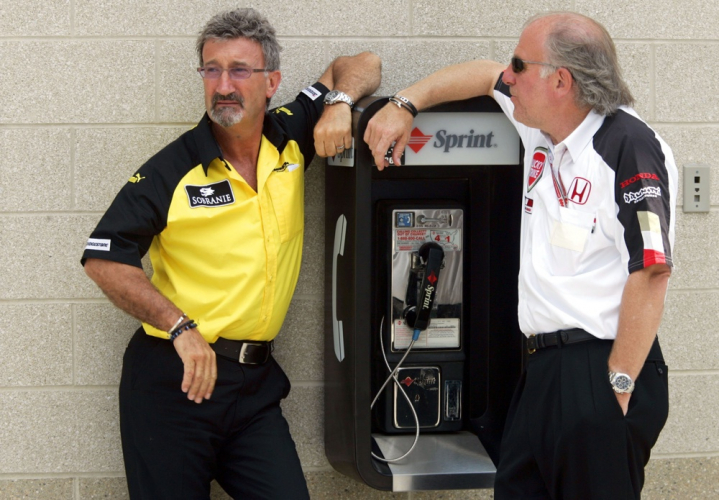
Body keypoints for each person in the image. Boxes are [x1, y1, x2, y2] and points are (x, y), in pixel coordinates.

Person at [365, 11, 675, 500]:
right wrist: (405, 104)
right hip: (540, 373)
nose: (508, 76)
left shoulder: (627, 147)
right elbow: (484, 75)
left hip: (601, 369)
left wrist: (616, 386)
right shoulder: (543, 131)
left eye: (519, 65)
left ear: (560, 80)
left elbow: (653, 270)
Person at [81, 8, 380, 499]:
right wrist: (180, 326)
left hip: (254, 389)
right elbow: (103, 259)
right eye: (211, 69)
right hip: (174, 382)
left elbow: (360, 62)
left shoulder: (289, 136)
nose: (223, 84)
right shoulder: (170, 170)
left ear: (271, 82)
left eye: (240, 70)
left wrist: (340, 103)